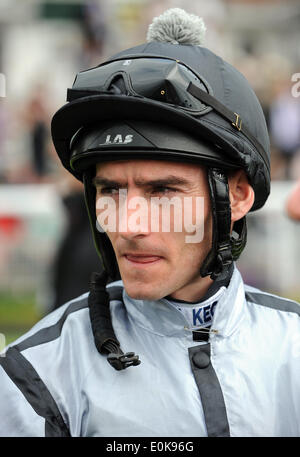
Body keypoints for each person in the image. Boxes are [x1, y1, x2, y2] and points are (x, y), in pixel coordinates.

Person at [1, 8, 300, 438]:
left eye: (162, 191)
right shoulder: (35, 373)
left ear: (237, 196)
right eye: (110, 190)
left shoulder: (291, 347)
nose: (128, 224)